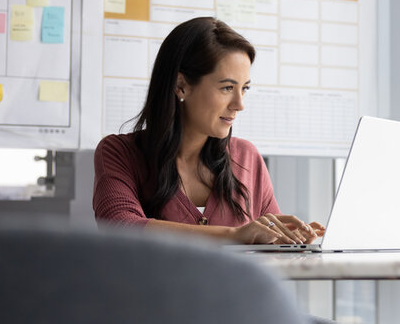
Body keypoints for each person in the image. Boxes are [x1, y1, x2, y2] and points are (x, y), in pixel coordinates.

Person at [93, 17, 324, 245]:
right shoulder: (119, 152)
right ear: (181, 85)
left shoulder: (247, 157)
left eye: (244, 89)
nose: (239, 104)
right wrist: (235, 235)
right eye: (227, 88)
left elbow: (267, 241)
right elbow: (120, 226)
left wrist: (287, 240)